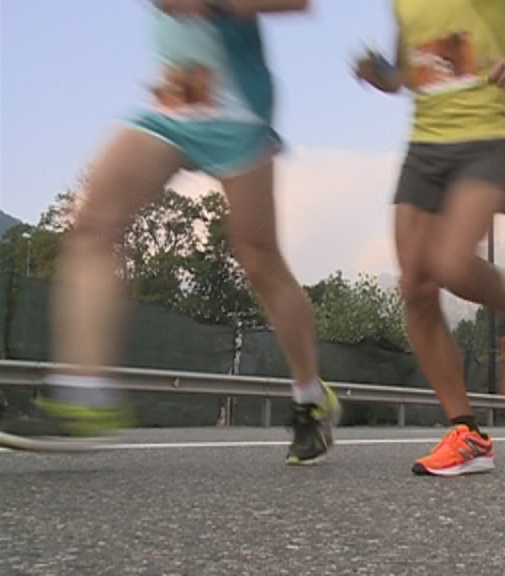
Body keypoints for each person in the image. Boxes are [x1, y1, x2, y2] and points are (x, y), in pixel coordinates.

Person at [0, 0, 341, 466]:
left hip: (234, 110)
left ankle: (309, 397)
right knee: (92, 227)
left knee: (259, 259)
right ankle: (84, 395)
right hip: (170, 107)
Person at [355, 0, 505, 475]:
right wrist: (380, 74)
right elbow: (409, 73)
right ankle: (467, 434)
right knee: (416, 287)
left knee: (452, 264)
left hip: (485, 137)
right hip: (425, 147)